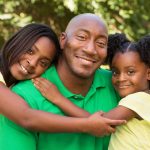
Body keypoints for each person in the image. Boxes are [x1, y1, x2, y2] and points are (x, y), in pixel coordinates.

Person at [0, 14, 125, 150]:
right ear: (63, 40)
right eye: (82, 37)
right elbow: (26, 117)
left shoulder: (120, 84)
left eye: (43, 62)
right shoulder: (24, 94)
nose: (90, 49)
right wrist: (86, 125)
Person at [33, 33, 150, 150]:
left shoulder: (137, 100)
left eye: (130, 72)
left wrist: (58, 98)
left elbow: (100, 123)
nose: (121, 78)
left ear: (148, 73)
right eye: (115, 72)